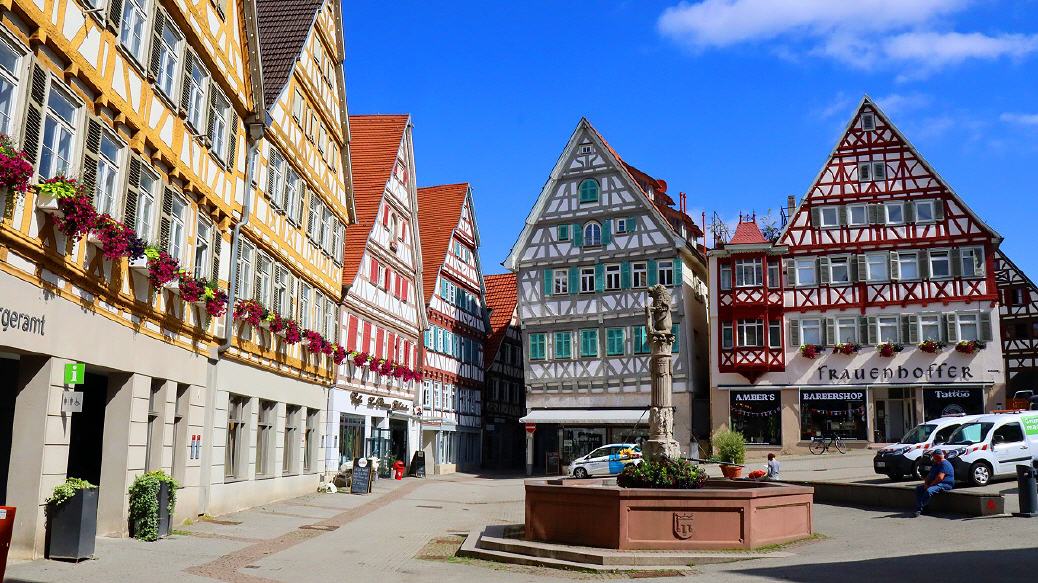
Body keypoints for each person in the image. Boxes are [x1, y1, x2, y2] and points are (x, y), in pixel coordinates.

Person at [914, 450, 954, 516]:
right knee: (919, 489)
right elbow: (929, 476)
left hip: (944, 484)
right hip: (934, 483)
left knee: (929, 491)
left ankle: (919, 509)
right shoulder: (936, 464)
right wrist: (926, 484)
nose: (932, 458)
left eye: (933, 456)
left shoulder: (945, 464)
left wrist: (930, 485)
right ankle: (925, 508)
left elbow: (940, 478)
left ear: (937, 456)